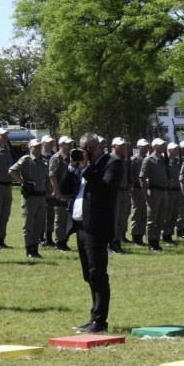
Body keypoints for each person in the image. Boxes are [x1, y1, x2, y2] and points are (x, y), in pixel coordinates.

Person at [62, 132, 124, 333]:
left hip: (97, 226)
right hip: (81, 226)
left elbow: (105, 188)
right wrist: (72, 167)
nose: (85, 152)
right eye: (82, 148)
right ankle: (93, 317)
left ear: (99, 146)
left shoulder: (112, 163)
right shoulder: (81, 166)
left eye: (89, 147)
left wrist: (87, 167)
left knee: (98, 273)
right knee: (88, 274)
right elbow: (65, 189)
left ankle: (100, 321)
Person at [9, 138, 49, 258]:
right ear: (30, 148)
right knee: (28, 224)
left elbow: (46, 178)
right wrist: (23, 182)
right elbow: (11, 170)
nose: (38, 149)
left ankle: (35, 248)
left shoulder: (44, 161)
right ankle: (28, 249)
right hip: (30, 197)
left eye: (39, 146)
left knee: (39, 225)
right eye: (35, 147)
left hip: (41, 197)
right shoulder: (25, 160)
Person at [141, 138, 169, 251]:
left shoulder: (163, 160)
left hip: (164, 191)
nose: (163, 147)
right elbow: (142, 178)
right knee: (152, 219)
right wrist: (146, 196)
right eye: (161, 145)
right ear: (155, 147)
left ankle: (156, 240)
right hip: (154, 191)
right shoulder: (148, 160)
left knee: (160, 218)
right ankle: (151, 243)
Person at [48, 135, 74, 252]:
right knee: (60, 219)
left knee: (68, 219)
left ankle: (64, 240)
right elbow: (52, 176)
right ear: (61, 145)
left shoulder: (70, 158)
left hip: (68, 192)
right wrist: (57, 193)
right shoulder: (56, 158)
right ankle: (59, 242)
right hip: (59, 192)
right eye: (68, 144)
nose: (70, 146)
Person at [110, 137, 131, 253]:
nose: (123, 147)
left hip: (124, 191)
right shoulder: (110, 158)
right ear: (114, 146)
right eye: (120, 145)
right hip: (115, 191)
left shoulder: (123, 159)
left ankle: (118, 241)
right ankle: (112, 243)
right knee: (115, 218)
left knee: (122, 219)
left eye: (124, 145)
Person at [130, 139, 150, 246]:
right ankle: (135, 237)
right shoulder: (134, 160)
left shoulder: (147, 159)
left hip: (145, 189)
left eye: (147, 146)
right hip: (137, 190)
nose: (146, 148)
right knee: (136, 214)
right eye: (144, 146)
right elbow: (132, 175)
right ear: (138, 147)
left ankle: (140, 236)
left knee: (144, 214)